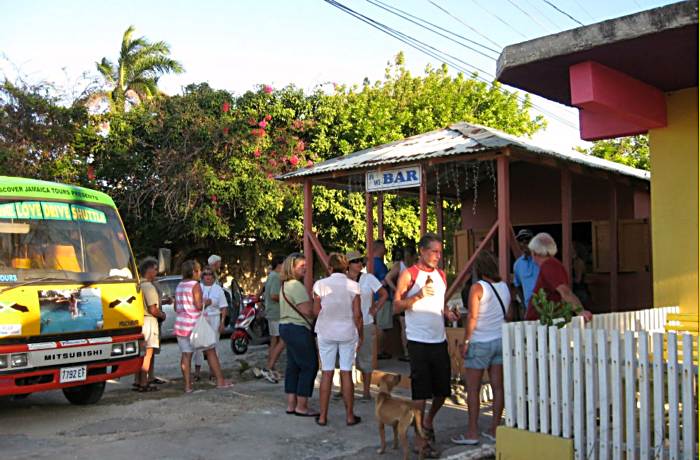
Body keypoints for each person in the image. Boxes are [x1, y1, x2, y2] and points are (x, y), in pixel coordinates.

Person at [394, 233, 459, 457]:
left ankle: (428, 421)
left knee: (442, 391)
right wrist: (417, 296)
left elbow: (440, 304)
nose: (437, 256)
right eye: (433, 251)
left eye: (440, 252)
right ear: (422, 251)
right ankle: (420, 438)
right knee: (420, 393)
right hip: (418, 340)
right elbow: (396, 306)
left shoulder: (441, 275)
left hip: (438, 339)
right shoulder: (409, 274)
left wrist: (448, 313)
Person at [451, 251, 510, 445]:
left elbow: (473, 318)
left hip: (479, 342)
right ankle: (494, 428)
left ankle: (472, 432)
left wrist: (466, 341)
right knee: (498, 387)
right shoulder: (504, 287)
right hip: (500, 340)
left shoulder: (478, 288)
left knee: (473, 389)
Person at [312, 253, 363, 426]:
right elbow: (357, 315)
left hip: (326, 331)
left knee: (327, 372)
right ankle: (349, 415)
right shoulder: (354, 286)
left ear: (330, 268)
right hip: (347, 332)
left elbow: (315, 311)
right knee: (346, 372)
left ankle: (322, 416)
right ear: (346, 267)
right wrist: (360, 334)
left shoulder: (320, 285)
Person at [174, 260, 232, 393]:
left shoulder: (179, 286)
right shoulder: (195, 285)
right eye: (199, 270)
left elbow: (176, 307)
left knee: (186, 355)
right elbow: (199, 305)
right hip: (195, 324)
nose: (200, 273)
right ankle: (220, 381)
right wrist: (209, 301)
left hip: (181, 324)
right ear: (194, 271)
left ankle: (188, 386)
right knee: (210, 350)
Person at [278, 252, 319, 417]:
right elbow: (308, 311)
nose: (305, 268)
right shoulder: (296, 286)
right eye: (301, 266)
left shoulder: (285, 285)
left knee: (293, 366)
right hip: (298, 328)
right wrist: (317, 301)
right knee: (309, 365)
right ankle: (302, 406)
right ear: (292, 267)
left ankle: (291, 404)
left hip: (286, 327)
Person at [346, 250, 388, 400]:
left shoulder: (368, 278)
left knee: (366, 357)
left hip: (366, 322)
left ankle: (366, 391)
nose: (359, 264)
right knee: (345, 358)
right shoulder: (343, 280)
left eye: (360, 261)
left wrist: (375, 308)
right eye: (355, 261)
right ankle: (345, 388)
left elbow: (384, 294)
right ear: (348, 264)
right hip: (347, 324)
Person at [524, 233, 593, 322]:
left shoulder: (549, 265)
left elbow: (565, 292)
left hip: (541, 322)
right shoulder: (553, 264)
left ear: (534, 252)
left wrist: (580, 311)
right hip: (545, 320)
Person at [193, 265, 229, 382]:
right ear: (202, 277)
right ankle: (197, 372)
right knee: (199, 345)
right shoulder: (199, 287)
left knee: (213, 345)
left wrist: (222, 322)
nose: (208, 277)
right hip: (201, 318)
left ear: (213, 277)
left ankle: (212, 371)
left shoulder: (218, 289)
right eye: (205, 274)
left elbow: (223, 307)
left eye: (210, 275)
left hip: (214, 318)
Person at [135, 257, 166, 392]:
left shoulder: (137, 284)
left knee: (140, 354)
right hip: (149, 322)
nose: (156, 272)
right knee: (148, 353)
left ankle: (138, 381)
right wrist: (162, 315)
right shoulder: (148, 286)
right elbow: (153, 309)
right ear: (148, 270)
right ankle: (144, 383)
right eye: (154, 269)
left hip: (139, 321)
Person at [386, 245, 416, 362]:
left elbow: (388, 278)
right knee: (405, 326)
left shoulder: (414, 266)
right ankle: (408, 352)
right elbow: (388, 278)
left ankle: (409, 352)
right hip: (404, 299)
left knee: (406, 326)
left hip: (412, 298)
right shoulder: (400, 265)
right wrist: (396, 290)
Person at [261, 255, 285, 384]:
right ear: (280, 265)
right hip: (277, 313)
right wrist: (288, 299)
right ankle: (269, 366)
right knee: (281, 340)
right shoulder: (276, 277)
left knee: (274, 340)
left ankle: (271, 365)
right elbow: (274, 295)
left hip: (272, 312)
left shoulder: (271, 276)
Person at [372, 239, 392, 359]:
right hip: (382, 299)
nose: (385, 250)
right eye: (384, 248)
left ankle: (377, 351)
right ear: (379, 249)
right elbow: (384, 281)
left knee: (377, 325)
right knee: (382, 326)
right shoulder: (379, 264)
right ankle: (379, 351)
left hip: (374, 298)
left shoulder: (371, 263)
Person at [512, 229, 539, 315]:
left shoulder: (541, 260)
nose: (524, 243)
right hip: (529, 308)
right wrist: (523, 304)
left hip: (546, 306)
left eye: (527, 240)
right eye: (521, 241)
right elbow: (517, 285)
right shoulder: (517, 264)